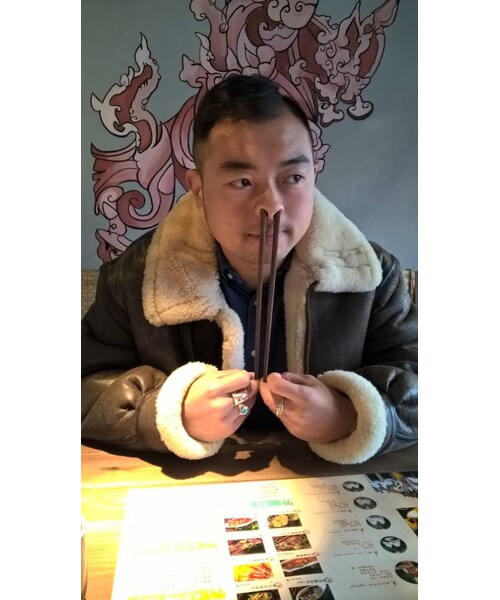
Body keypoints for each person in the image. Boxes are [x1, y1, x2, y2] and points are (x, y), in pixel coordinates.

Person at [81, 74, 418, 464]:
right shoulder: (135, 277)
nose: (271, 206)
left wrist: (349, 414)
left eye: (293, 178)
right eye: (242, 181)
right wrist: (172, 412)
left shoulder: (370, 276)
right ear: (199, 190)